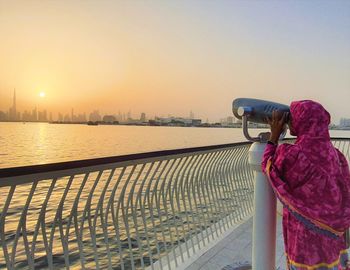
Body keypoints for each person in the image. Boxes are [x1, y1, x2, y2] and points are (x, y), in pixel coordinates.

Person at [261, 100, 350, 270]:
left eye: (292, 118)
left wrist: (273, 136)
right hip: (333, 234)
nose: (290, 121)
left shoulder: (292, 154)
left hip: (305, 234)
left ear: (304, 122)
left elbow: (268, 165)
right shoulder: (336, 155)